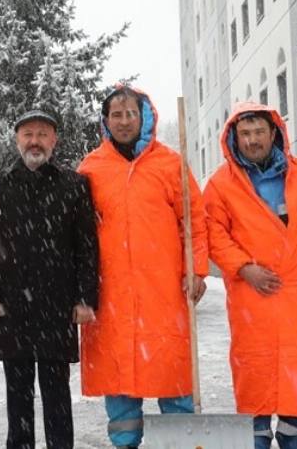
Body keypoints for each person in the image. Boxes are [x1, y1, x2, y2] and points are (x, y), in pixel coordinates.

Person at [77, 84, 209, 449]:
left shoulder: (169, 164)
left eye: (130, 114)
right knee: (120, 382)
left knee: (173, 376)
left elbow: (195, 222)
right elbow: (77, 233)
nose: (123, 121)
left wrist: (195, 270)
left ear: (143, 117)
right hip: (112, 294)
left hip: (164, 292)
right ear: (106, 121)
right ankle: (125, 443)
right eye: (116, 115)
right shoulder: (91, 168)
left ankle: (182, 442)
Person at [204, 102, 297, 449]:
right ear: (234, 138)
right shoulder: (221, 185)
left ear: (274, 133)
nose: (252, 141)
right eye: (244, 134)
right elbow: (213, 233)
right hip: (253, 299)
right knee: (255, 386)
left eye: (258, 132)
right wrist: (244, 267)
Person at [0, 109, 99, 449]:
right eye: (28, 134)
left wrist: (86, 298)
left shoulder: (74, 186)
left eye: (43, 134)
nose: (35, 141)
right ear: (17, 140)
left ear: (54, 141)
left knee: (58, 394)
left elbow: (87, 246)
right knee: (17, 397)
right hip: (10, 307)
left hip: (57, 308)